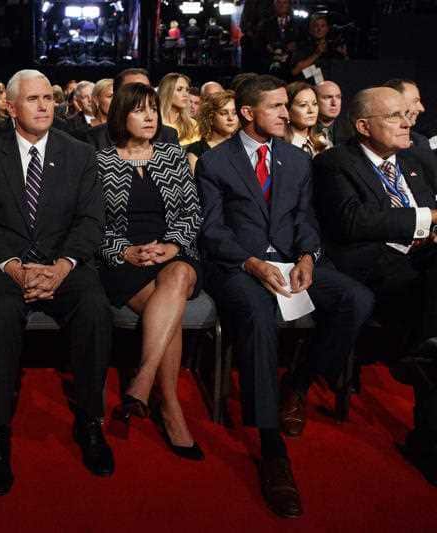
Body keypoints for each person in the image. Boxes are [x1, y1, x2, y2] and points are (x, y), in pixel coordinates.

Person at [196, 75, 374, 518]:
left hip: (293, 263)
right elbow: (212, 230)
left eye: (284, 105)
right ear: (247, 113)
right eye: (275, 106)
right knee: (256, 315)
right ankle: (271, 444)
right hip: (239, 267)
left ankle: (298, 382)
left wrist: (309, 257)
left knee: (357, 299)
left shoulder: (297, 160)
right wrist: (252, 264)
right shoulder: (215, 163)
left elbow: (305, 219)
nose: (284, 112)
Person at [0, 69, 114, 496]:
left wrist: (62, 267)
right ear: (10, 107)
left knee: (93, 307)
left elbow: (91, 221)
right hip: (5, 268)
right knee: (1, 311)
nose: (45, 105)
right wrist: (14, 268)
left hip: (63, 266)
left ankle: (89, 422)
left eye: (48, 97)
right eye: (34, 99)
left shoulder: (79, 152)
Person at [312, 86, 437, 487]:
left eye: (406, 114)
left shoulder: (416, 157)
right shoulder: (336, 163)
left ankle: (428, 350)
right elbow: (353, 223)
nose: (406, 123)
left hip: (422, 263)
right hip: (370, 269)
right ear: (363, 125)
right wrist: (426, 219)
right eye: (394, 117)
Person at [97, 82, 204, 460]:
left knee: (176, 277)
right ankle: (168, 403)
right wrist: (124, 252)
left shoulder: (172, 156)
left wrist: (173, 245)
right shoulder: (101, 163)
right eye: (139, 110)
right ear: (121, 116)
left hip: (173, 251)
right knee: (169, 312)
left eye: (153, 111)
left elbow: (193, 214)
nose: (149, 117)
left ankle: (142, 383)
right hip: (126, 260)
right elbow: (92, 226)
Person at [83, 68, 179, 151]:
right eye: (135, 89)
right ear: (117, 96)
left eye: (146, 88)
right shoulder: (93, 138)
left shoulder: (168, 135)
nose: (142, 94)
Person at [185, 90, 239, 174]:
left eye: (235, 113)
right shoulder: (197, 150)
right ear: (210, 118)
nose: (231, 118)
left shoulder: (242, 146)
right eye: (223, 113)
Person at [291, 14, 348, 79]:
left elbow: (343, 69)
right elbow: (295, 71)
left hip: (332, 82)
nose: (319, 29)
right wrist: (316, 54)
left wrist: (344, 55)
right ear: (310, 29)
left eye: (323, 26)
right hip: (308, 84)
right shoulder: (303, 45)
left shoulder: (332, 46)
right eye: (316, 26)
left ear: (327, 29)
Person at [284, 82, 331, 157]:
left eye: (315, 104)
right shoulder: (280, 146)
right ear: (287, 110)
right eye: (303, 105)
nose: (311, 110)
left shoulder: (323, 141)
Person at [158, 73, 200, 146]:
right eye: (179, 89)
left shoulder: (193, 125)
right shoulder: (154, 125)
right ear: (167, 92)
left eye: (187, 90)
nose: (185, 94)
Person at [314, 80, 352, 146]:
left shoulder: (351, 130)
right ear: (315, 100)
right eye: (327, 97)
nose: (334, 103)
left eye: (338, 97)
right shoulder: (304, 131)